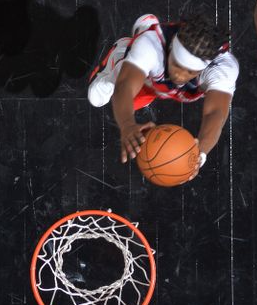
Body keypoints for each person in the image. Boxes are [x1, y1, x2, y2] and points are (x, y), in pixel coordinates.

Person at [87, 13, 239, 181]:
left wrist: (198, 153)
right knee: (104, 97)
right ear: (172, 48)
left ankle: (143, 30)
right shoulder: (152, 46)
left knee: (145, 94)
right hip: (149, 77)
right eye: (178, 65)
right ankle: (120, 56)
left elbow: (215, 113)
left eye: (190, 71)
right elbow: (125, 87)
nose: (180, 76)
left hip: (163, 83)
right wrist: (127, 125)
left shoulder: (222, 68)